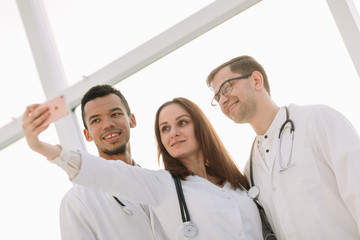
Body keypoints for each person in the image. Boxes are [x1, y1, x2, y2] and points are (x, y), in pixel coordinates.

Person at [22, 96, 264, 239]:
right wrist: (42, 147)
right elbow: (106, 173)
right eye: (165, 128)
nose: (174, 133)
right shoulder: (162, 184)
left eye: (182, 123)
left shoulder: (236, 179)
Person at [206, 55, 360, 239]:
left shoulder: (318, 120)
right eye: (217, 97)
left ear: (256, 80)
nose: (222, 100)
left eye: (226, 88)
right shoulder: (251, 168)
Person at [22, 84, 164, 239]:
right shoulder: (77, 202)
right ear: (87, 134)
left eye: (115, 114)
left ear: (132, 120)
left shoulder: (161, 183)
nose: (108, 124)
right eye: (96, 120)